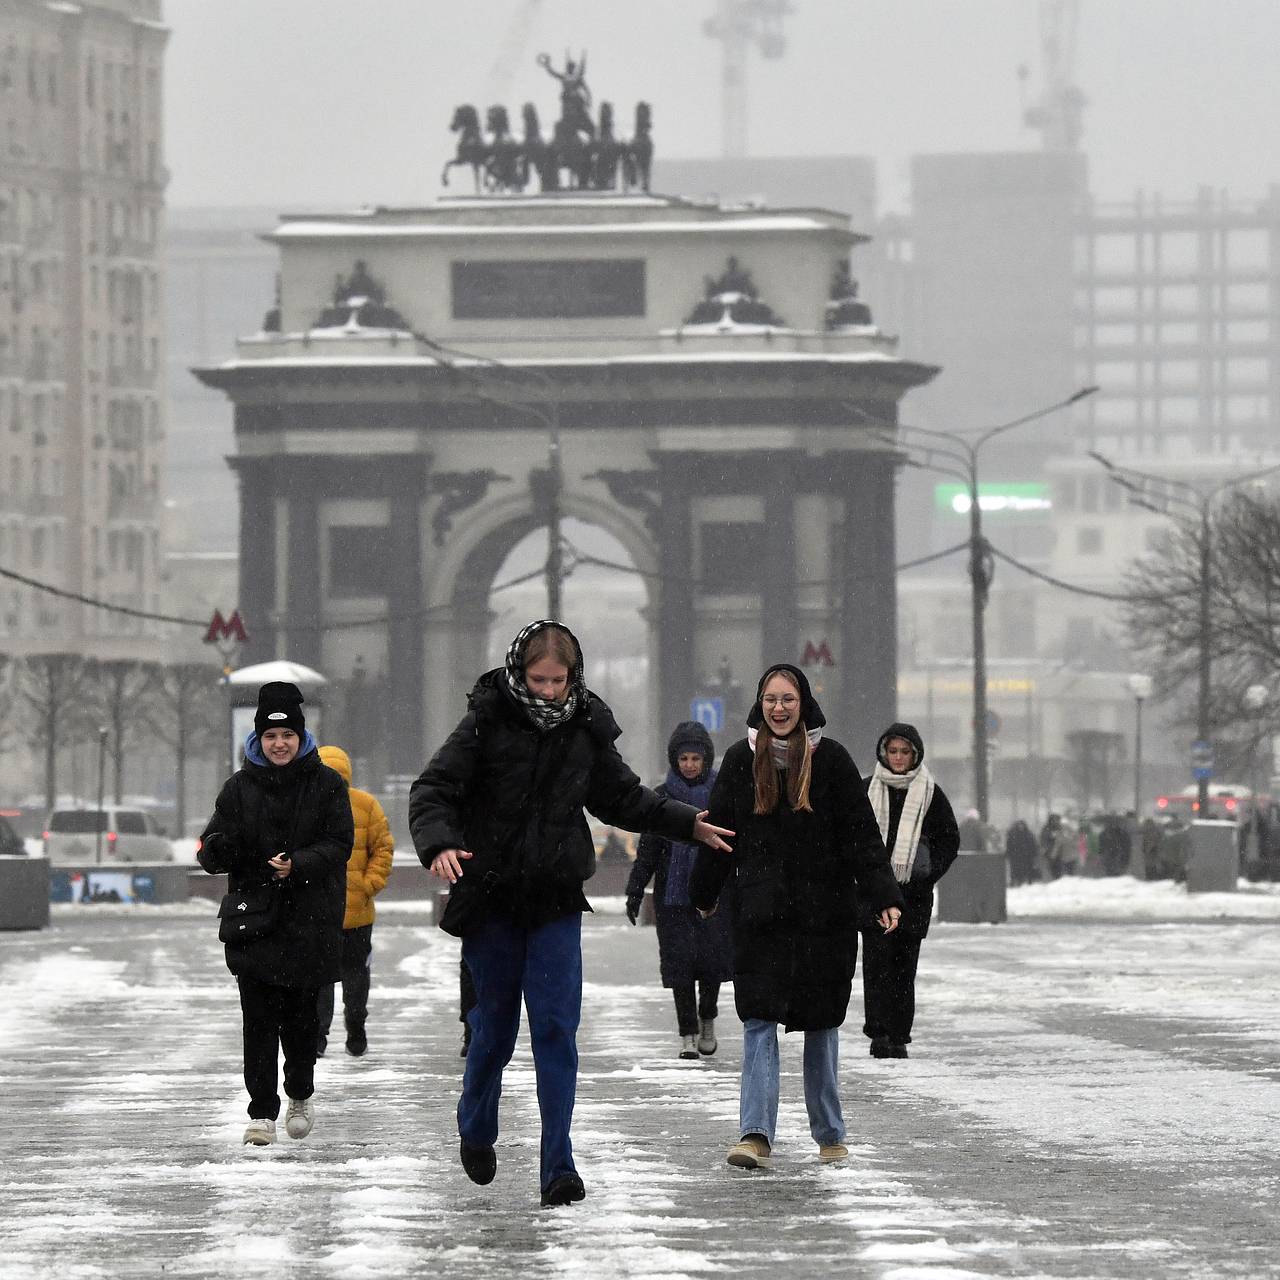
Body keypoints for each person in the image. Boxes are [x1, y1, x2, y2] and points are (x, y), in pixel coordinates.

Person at [409, 620, 733, 1208]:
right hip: (493, 899)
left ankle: (558, 1165)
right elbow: (432, 789)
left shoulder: (585, 726)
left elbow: (625, 799)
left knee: (556, 1031)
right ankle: (476, 1124)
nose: (549, 691)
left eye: (559, 680)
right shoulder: (485, 720)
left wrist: (687, 823)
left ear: (573, 676)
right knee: (494, 1031)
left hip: (556, 898)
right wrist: (439, 844)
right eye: (538, 679)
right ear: (518, 672)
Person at [690, 664, 903, 1171]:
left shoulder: (831, 760)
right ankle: (755, 1134)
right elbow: (721, 833)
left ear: (803, 703)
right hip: (761, 916)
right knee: (758, 1020)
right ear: (759, 704)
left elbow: (861, 837)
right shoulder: (742, 760)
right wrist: (705, 891)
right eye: (770, 699)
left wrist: (883, 895)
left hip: (823, 917)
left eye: (788, 699)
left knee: (822, 1023)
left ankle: (830, 1133)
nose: (779, 708)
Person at [197, 681, 353, 1146]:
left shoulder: (327, 785)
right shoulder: (238, 788)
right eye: (270, 736)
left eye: (286, 735)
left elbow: (339, 844)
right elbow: (210, 849)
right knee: (259, 1021)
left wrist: (298, 864)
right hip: (256, 924)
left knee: (302, 1021)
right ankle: (261, 1113)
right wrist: (224, 847)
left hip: (309, 921)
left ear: (301, 737)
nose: (279, 744)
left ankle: (300, 1094)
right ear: (258, 740)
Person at [625, 721, 734, 1060]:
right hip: (671, 898)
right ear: (675, 759)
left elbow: (734, 844)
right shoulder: (661, 798)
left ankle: (707, 1020)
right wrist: (635, 889)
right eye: (684, 758)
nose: (689, 764)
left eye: (695, 758)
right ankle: (686, 1031)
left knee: (712, 963)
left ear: (706, 760)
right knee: (680, 966)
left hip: (713, 895)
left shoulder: (722, 794)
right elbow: (649, 849)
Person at [861, 723, 960, 1059]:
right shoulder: (866, 789)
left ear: (915, 754)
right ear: (883, 753)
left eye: (905, 752)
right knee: (876, 966)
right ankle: (878, 1033)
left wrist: (928, 873)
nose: (899, 758)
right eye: (893, 751)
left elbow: (950, 840)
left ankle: (899, 1034)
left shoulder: (931, 794)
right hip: (874, 895)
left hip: (913, 897)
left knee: (904, 968)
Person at [315, 745, 394, 1058]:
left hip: (323, 912)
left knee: (321, 978)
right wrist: (369, 885)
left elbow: (382, 849)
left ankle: (319, 1035)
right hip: (355, 913)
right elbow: (384, 849)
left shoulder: (310, 805)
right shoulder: (366, 804)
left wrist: (366, 885)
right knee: (356, 975)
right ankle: (355, 1027)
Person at [1005, 817, 1039, 886]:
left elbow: (1033, 845)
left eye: (1022, 825)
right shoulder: (1013, 835)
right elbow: (1009, 845)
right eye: (1019, 825)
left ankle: (1025, 881)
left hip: (1025, 856)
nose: (1021, 827)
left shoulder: (1028, 834)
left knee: (1025, 870)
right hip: (1016, 856)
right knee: (1016, 870)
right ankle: (1017, 882)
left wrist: (1033, 853)